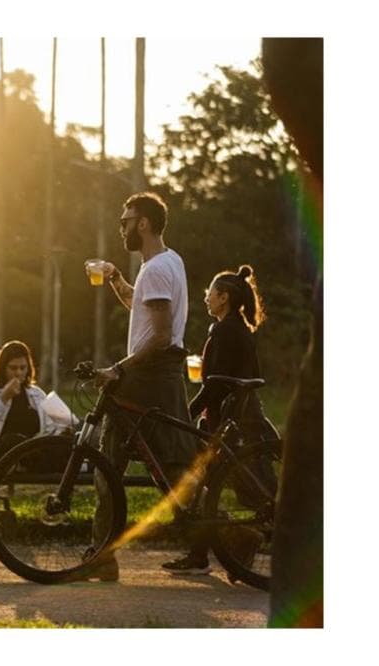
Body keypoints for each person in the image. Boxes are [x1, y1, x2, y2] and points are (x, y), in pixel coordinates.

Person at [84, 191, 197, 581]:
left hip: (148, 375)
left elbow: (162, 335)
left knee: (107, 463)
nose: (122, 227)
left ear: (143, 224)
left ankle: (101, 555)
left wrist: (118, 368)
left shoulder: (157, 269)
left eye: (125, 221)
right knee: (173, 467)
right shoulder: (168, 262)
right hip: (161, 373)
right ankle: (233, 537)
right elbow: (142, 306)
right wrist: (115, 277)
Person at [162, 264, 276, 575]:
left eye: (209, 294)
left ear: (223, 298)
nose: (206, 299)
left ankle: (233, 544)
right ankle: (205, 553)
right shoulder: (235, 328)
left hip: (229, 422)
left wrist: (186, 412)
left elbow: (217, 384)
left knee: (212, 487)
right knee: (205, 487)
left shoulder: (225, 330)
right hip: (235, 418)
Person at [0, 340, 69, 473]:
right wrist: (3, 398)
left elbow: (55, 427)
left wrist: (64, 429)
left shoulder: (36, 394)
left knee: (63, 444)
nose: (18, 373)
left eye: (23, 368)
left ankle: (31, 465)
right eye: (13, 368)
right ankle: (45, 464)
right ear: (2, 368)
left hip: (31, 453)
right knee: (13, 440)